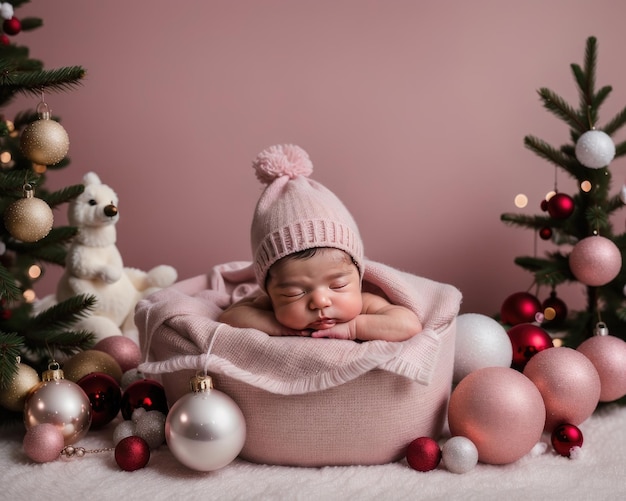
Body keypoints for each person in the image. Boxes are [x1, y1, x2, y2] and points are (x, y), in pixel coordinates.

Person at [218, 144, 422, 342]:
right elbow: (230, 317)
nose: (320, 302)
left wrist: (353, 327)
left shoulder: (365, 303)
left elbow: (408, 325)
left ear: (358, 277)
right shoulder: (268, 303)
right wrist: (276, 325)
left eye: (338, 285)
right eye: (294, 293)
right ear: (269, 290)